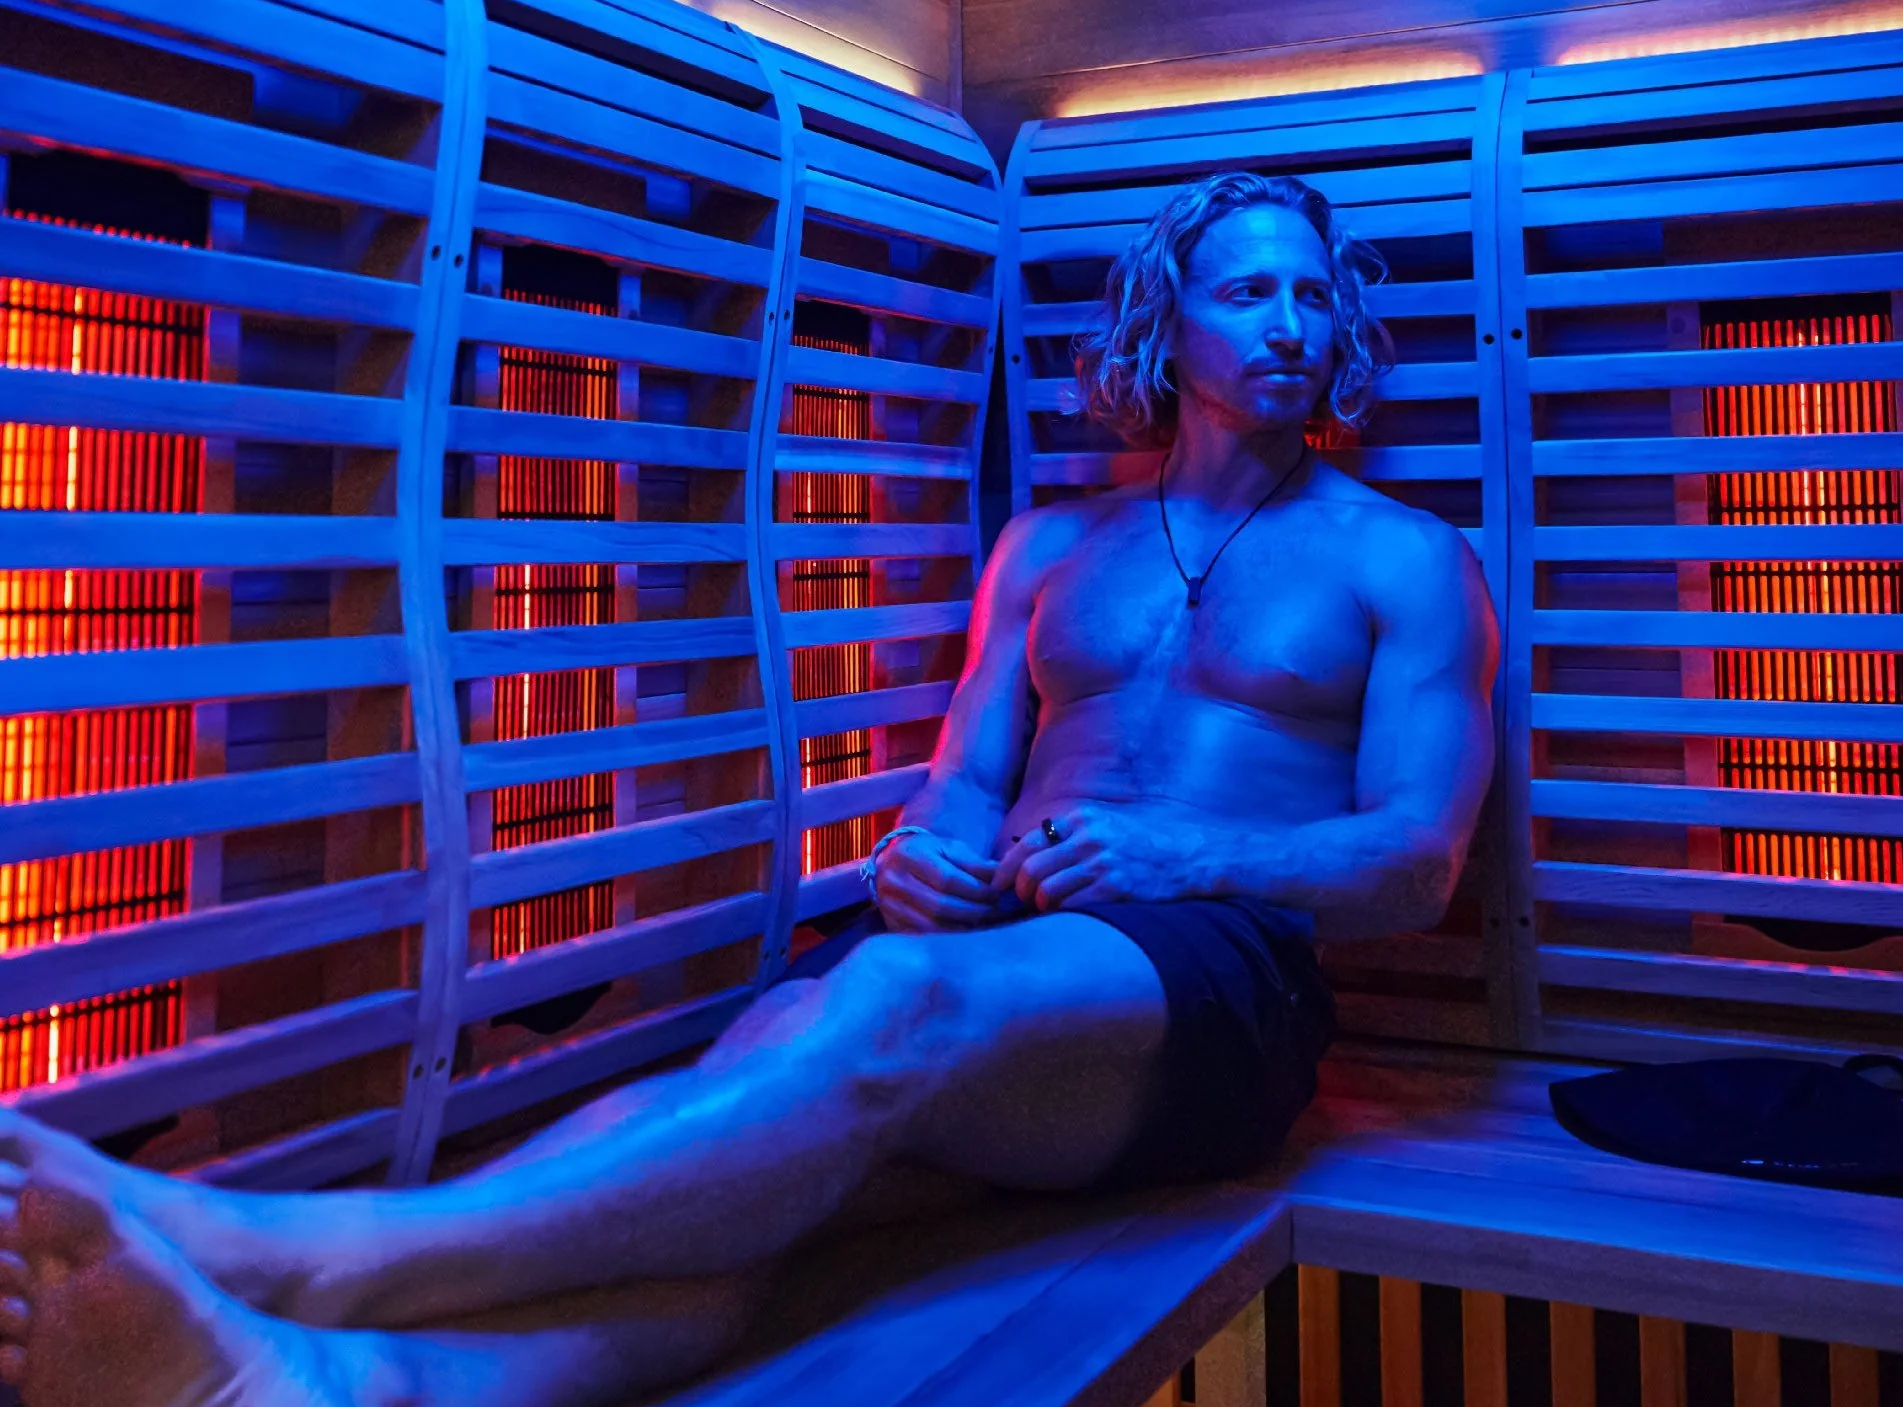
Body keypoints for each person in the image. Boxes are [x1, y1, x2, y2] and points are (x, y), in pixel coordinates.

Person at [0, 169, 1498, 1407]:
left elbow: (1415, 862)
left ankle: (295, 1250)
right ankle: (328, 1385)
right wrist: (925, 850)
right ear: (1167, 328)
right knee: (751, 1153)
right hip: (999, 959)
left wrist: (1190, 853)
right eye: (1248, 291)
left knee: (875, 1014)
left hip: (1223, 992)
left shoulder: (1403, 559)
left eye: (1314, 295)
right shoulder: (1048, 549)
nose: (1292, 324)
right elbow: (966, 778)